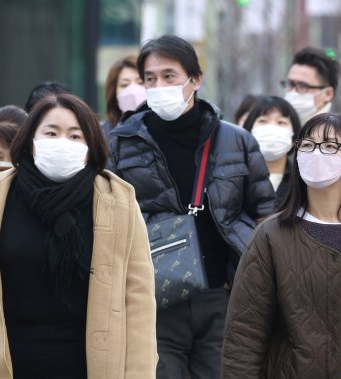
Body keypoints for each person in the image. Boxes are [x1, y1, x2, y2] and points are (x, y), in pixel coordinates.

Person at [108, 35, 275, 379]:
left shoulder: (236, 140)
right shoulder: (122, 143)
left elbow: (265, 216)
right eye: (150, 79)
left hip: (221, 297)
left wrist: (240, 279)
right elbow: (109, 219)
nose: (159, 86)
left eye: (169, 76)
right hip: (154, 301)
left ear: (195, 80)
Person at [222, 113, 341, 378]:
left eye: (329, 146)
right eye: (307, 145)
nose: (316, 153)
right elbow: (245, 331)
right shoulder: (271, 236)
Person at [0, 92, 157, 378]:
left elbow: (138, 300)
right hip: (6, 363)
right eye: (51, 133)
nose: (62, 143)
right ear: (30, 140)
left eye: (75, 136)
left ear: (91, 146)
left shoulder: (118, 201)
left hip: (89, 365)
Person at [242, 96, 302, 205]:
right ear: (249, 131)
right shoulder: (235, 178)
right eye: (263, 121)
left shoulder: (302, 183)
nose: (272, 128)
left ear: (294, 138)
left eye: (281, 122)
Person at [282, 46, 341, 125]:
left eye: (302, 86)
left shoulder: (337, 135)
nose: (293, 92)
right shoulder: (276, 130)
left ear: (328, 94)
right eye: (290, 84)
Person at [102, 55, 146, 136]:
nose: (133, 91)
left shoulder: (165, 129)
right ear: (113, 93)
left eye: (140, 82)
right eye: (125, 85)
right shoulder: (101, 134)